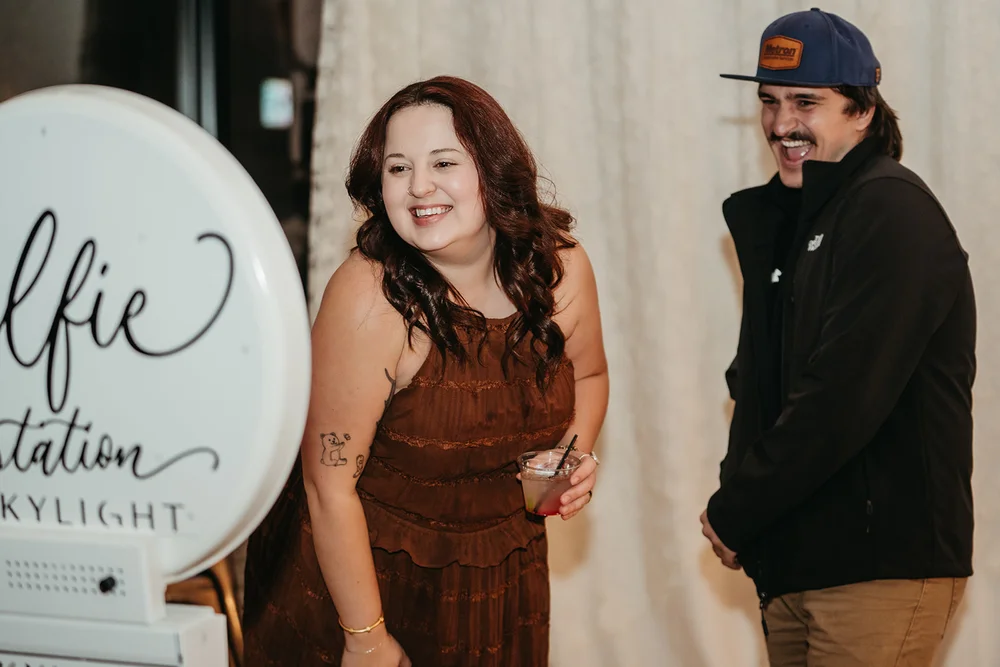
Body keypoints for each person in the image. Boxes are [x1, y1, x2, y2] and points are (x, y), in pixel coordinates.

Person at [242, 75, 609, 666]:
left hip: (504, 573)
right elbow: (326, 485)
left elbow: (589, 376)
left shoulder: (560, 269)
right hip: (362, 580)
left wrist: (572, 458)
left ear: (492, 168)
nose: (419, 188)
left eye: (443, 162)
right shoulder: (369, 299)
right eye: (397, 168)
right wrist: (366, 639)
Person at [700, 8, 976, 666]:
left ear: (861, 110)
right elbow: (766, 387)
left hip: (880, 568)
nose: (780, 123)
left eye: (805, 101)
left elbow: (839, 400)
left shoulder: (890, 210)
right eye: (768, 100)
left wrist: (737, 508)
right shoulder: (795, 220)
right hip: (799, 563)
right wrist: (750, 508)